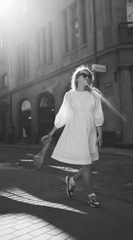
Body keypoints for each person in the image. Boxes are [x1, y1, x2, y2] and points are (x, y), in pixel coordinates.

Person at [43, 65, 104, 208]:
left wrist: (100, 134)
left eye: (89, 76)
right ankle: (91, 195)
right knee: (88, 165)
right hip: (77, 134)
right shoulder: (69, 95)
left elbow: (98, 114)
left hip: (90, 134)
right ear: (77, 78)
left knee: (91, 164)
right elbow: (62, 116)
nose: (87, 77)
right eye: (84, 75)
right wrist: (51, 133)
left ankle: (72, 181)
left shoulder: (94, 94)